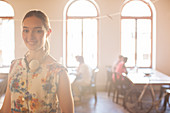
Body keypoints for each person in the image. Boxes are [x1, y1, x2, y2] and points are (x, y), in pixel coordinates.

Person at [0, 10, 74, 113]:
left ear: (48, 32)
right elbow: (5, 109)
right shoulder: (15, 66)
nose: (30, 36)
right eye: (26, 30)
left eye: (38, 31)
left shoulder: (59, 72)